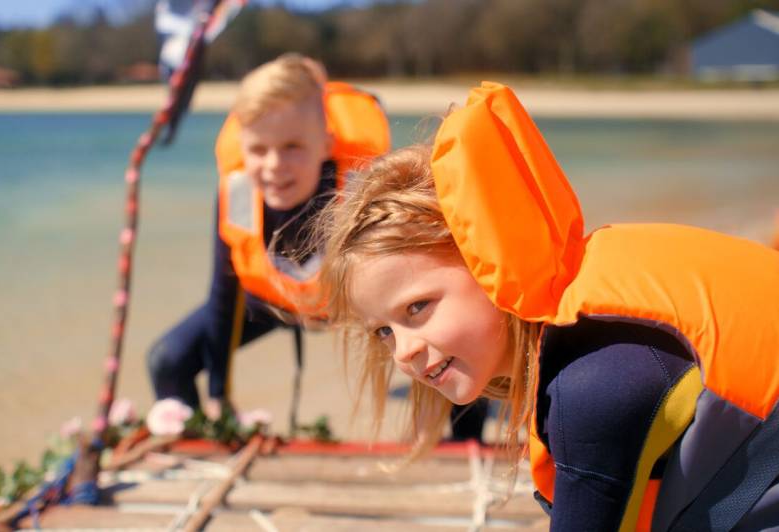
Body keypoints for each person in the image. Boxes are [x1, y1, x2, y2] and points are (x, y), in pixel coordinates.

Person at [315, 82, 779, 530]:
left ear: (491, 260)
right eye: (384, 331)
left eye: (417, 308)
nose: (402, 353)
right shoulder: (602, 274)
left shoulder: (591, 389)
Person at [146, 53, 391, 420]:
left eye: (292, 146)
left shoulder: (363, 187)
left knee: (449, 338)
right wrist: (220, 394)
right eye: (258, 150)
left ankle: (465, 449)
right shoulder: (238, 192)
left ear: (325, 143)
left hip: (351, 301)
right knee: (167, 361)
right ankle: (204, 441)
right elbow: (223, 295)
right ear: (243, 149)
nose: (275, 165)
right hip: (274, 301)